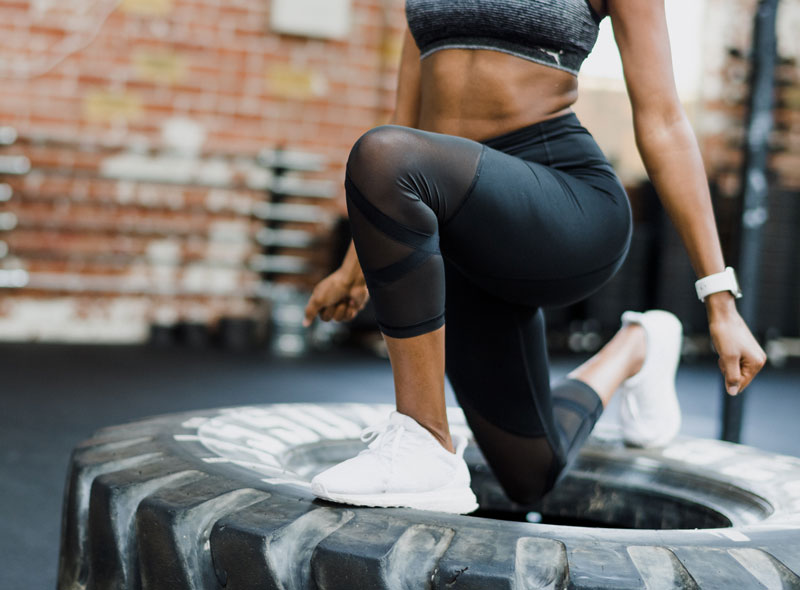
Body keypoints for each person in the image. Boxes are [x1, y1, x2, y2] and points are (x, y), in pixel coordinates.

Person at [302, 0, 767, 514]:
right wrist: (354, 269)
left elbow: (664, 122)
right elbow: (408, 122)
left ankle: (425, 441)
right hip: (459, 216)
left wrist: (719, 299)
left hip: (565, 204)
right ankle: (637, 346)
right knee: (529, 475)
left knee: (381, 152)